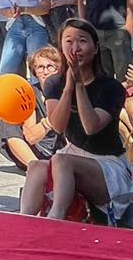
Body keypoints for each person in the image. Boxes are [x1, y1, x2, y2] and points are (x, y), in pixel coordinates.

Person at [21, 19, 133, 222]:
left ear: (95, 47)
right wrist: (68, 88)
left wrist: (80, 86)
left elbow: (91, 127)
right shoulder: (55, 83)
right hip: (72, 154)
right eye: (69, 41)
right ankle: (23, 221)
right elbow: (57, 125)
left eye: (82, 41)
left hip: (107, 164)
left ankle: (57, 217)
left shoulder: (111, 87)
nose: (75, 48)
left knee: (61, 161)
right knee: (36, 166)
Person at [0, 46, 64, 173]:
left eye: (51, 66)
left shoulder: (66, 93)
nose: (45, 72)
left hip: (60, 150)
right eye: (40, 67)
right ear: (34, 71)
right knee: (9, 119)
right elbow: (31, 136)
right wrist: (50, 121)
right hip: (33, 150)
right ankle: (36, 167)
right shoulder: (30, 92)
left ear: (59, 70)